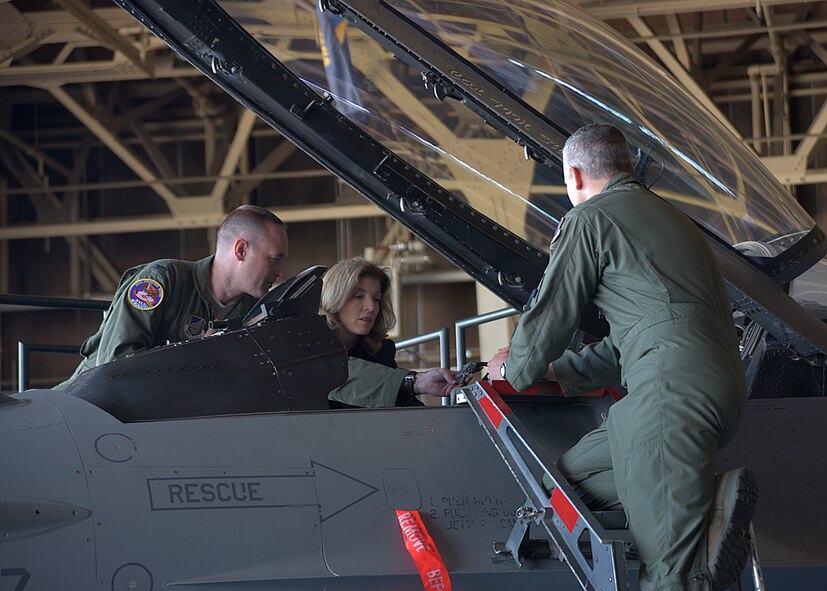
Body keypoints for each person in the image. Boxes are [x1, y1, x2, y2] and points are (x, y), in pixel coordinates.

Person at [488, 125, 755, 591]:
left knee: (671, 579)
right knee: (564, 485)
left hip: (670, 395)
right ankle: (699, 497)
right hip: (716, 389)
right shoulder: (675, 222)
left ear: (574, 175)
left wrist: (516, 368)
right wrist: (557, 370)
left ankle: (686, 507)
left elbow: (551, 313)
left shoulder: (590, 219)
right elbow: (636, 338)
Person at [56, 205, 289, 389]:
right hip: (83, 407)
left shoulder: (253, 312)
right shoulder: (162, 280)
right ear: (241, 250)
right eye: (274, 259)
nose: (280, 272)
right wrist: (193, 355)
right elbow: (116, 365)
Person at [321, 256, 458, 408]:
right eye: (359, 296)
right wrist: (416, 381)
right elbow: (336, 371)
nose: (371, 307)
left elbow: (402, 404)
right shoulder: (310, 348)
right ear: (334, 299)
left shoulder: (379, 351)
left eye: (376, 299)